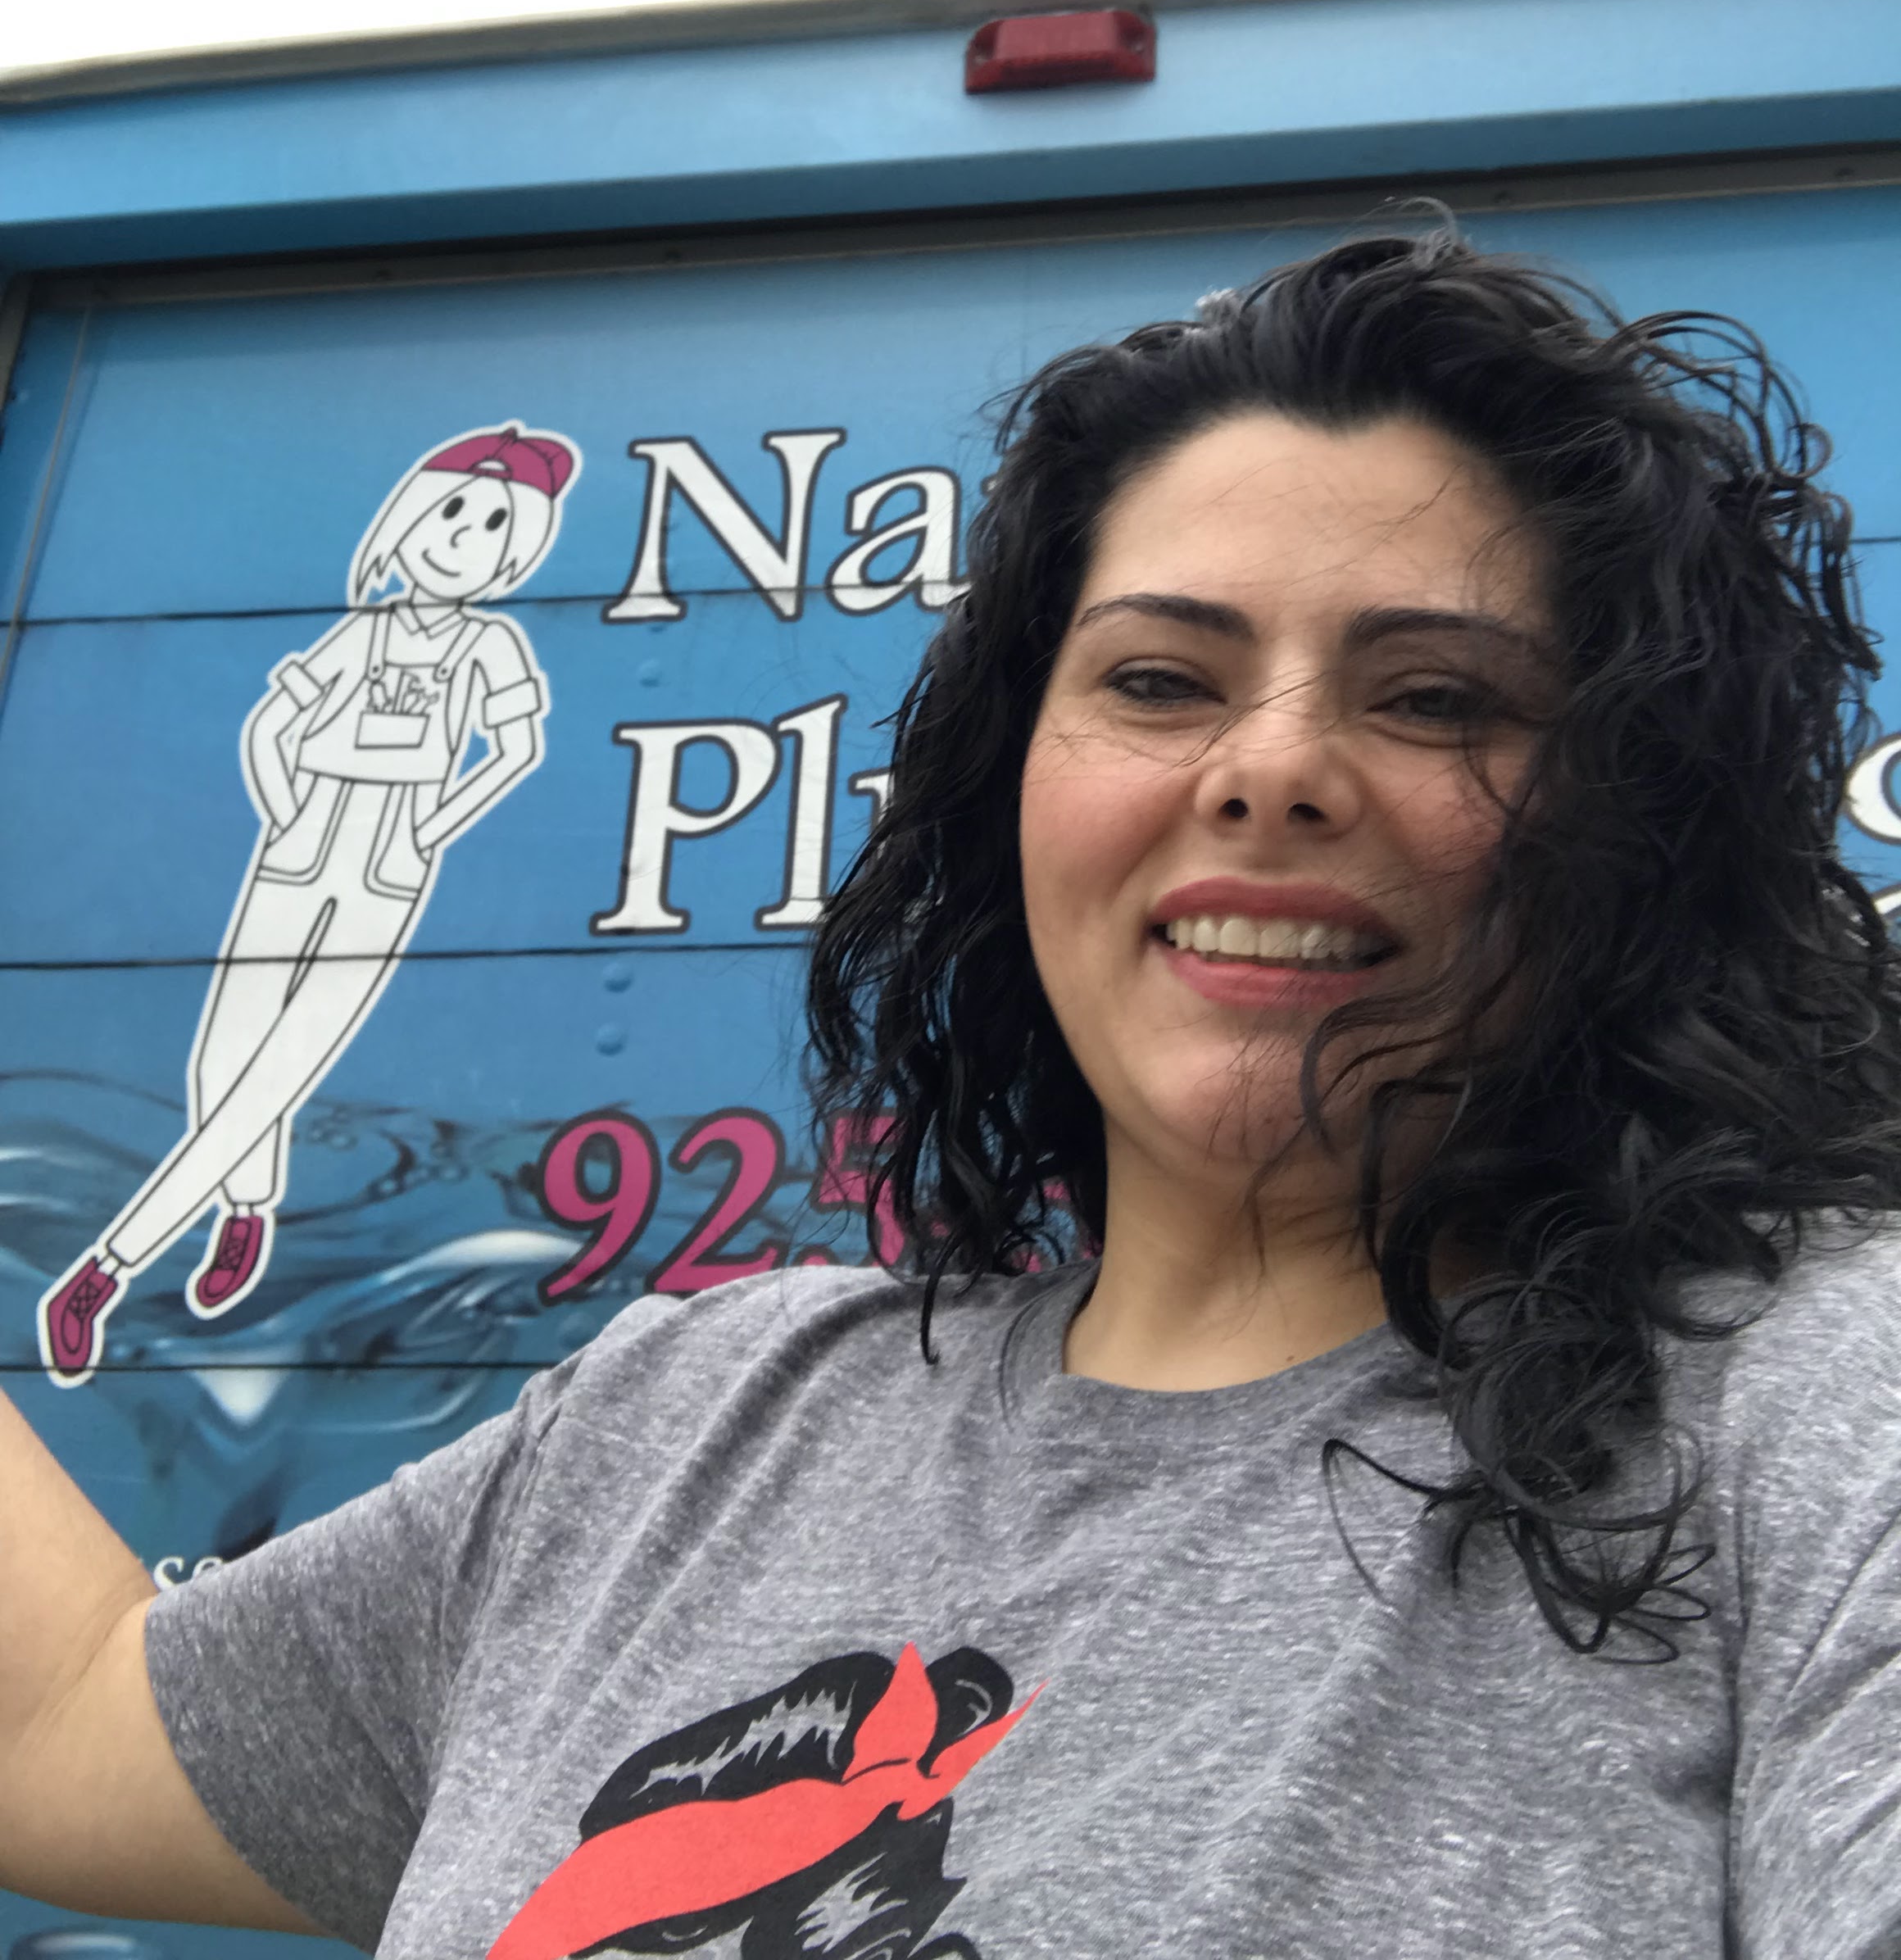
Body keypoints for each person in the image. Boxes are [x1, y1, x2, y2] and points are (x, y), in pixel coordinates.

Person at [5, 224, 1901, 1958]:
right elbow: (61, 1715)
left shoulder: (1814, 1398)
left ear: (1631, 826)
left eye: (1432, 699)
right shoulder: (679, 1424)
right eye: (1157, 680)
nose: (1269, 767)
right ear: (1012, 789)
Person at [36, 421, 579, 1386]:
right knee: (218, 1067)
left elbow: (517, 750)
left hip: (387, 858)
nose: (464, 537)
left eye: (495, 526)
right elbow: (274, 721)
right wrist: (285, 803)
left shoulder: (489, 642)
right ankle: (250, 1207)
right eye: (452, 512)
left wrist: (431, 825)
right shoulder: (365, 629)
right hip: (300, 842)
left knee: (267, 1083)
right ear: (410, 518)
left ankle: (100, 1274)